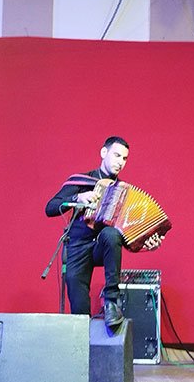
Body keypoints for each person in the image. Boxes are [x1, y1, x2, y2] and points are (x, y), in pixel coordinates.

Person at [45, 136, 161, 327]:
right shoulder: (81, 180)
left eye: (124, 158)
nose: (120, 162)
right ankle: (81, 347)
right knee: (79, 309)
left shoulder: (124, 193)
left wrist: (146, 243)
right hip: (78, 247)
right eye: (116, 155)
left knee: (110, 234)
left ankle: (111, 302)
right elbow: (50, 208)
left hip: (102, 246)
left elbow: (124, 236)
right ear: (103, 153)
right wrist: (78, 197)